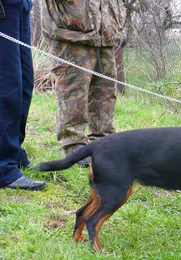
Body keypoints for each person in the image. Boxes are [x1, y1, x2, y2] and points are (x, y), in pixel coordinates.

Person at [41, 0, 126, 166]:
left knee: (106, 93)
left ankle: (104, 143)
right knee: (73, 91)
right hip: (72, 33)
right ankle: (74, 145)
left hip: (106, 33)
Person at [0, 0, 47, 190]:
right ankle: (3, 166)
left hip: (22, 5)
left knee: (24, 83)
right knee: (7, 84)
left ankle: (14, 151)